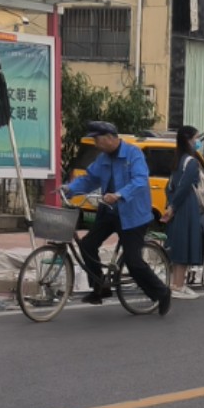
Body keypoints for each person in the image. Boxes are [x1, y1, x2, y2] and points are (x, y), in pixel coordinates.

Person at [63, 121, 171, 316]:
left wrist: (120, 194)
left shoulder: (133, 154)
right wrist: (69, 188)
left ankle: (162, 293)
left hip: (133, 215)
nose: (96, 143)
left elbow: (139, 180)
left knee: (133, 261)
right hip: (109, 212)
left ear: (111, 137)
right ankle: (100, 287)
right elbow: (89, 179)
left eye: (98, 139)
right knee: (87, 244)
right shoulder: (103, 158)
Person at [161, 125, 204, 300]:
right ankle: (178, 286)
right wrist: (173, 207)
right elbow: (185, 186)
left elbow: (169, 186)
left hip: (176, 205)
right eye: (196, 138)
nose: (198, 142)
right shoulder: (192, 162)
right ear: (188, 140)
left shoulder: (177, 160)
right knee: (185, 243)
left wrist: (170, 206)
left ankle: (176, 283)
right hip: (187, 205)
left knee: (178, 243)